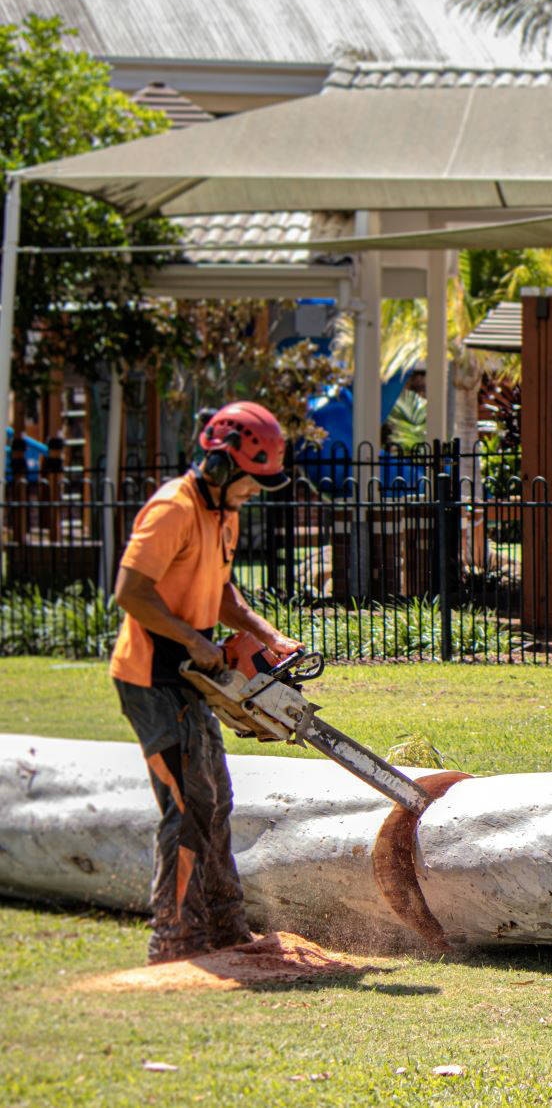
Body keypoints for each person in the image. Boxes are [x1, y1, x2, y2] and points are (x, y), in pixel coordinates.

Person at [110, 402, 303, 963]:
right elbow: (131, 592)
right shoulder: (173, 508)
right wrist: (194, 640)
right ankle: (173, 936)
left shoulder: (222, 514)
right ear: (220, 466)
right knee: (186, 804)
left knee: (216, 796)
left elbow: (222, 592)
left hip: (193, 672)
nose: (254, 492)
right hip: (151, 675)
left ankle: (225, 926)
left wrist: (269, 634)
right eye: (250, 480)